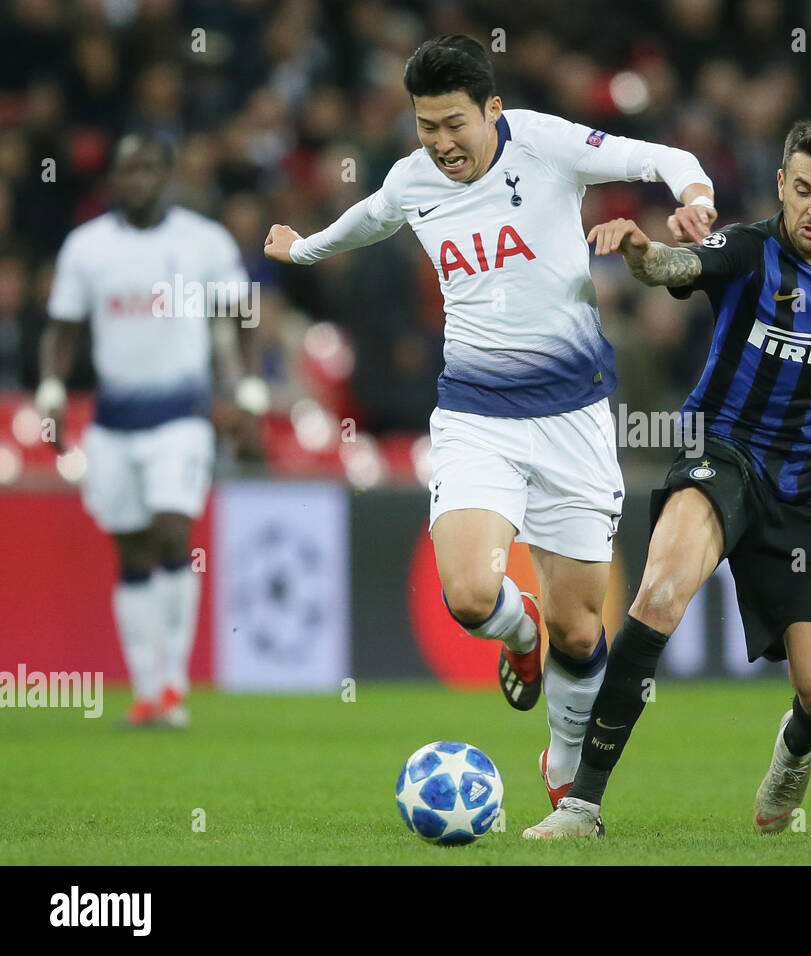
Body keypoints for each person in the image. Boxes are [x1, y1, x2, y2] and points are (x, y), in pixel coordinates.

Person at [264, 35, 715, 815]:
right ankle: (517, 630)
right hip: (476, 416)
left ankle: (565, 763)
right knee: (473, 594)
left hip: (573, 419)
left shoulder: (546, 145)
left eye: (454, 125)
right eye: (426, 126)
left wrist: (697, 195)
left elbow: (662, 157)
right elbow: (368, 220)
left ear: (493, 110)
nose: (440, 144)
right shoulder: (413, 181)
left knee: (582, 633)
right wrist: (302, 249)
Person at [523, 119, 811, 839]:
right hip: (726, 457)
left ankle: (794, 748)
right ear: (781, 184)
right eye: (801, 189)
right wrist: (643, 252)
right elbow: (677, 268)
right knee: (662, 592)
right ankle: (582, 804)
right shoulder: (746, 250)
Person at [38, 133, 266, 728]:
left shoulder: (203, 242)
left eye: (147, 168)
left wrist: (245, 390)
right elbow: (63, 328)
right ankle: (146, 690)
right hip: (113, 420)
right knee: (132, 550)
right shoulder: (87, 247)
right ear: (115, 177)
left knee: (172, 531)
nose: (136, 178)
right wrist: (53, 390)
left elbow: (241, 315)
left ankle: (173, 684)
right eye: (126, 169)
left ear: (166, 174)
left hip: (181, 417)